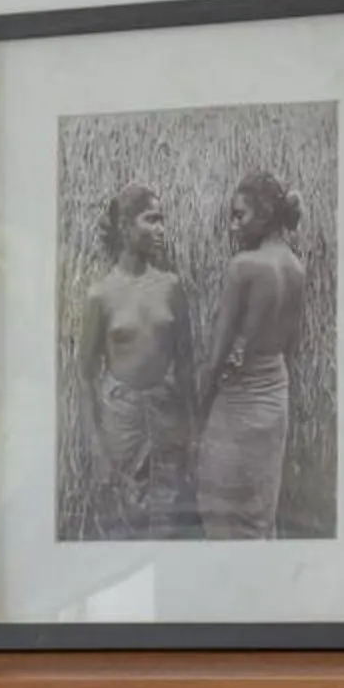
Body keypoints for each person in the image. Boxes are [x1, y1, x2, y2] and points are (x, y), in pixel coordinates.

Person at [70, 185, 196, 537]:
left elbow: (186, 364)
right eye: (151, 219)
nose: (161, 228)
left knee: (167, 522)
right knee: (123, 526)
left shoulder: (171, 287)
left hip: (166, 420)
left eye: (162, 220)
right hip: (121, 426)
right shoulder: (101, 295)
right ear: (125, 226)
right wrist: (95, 445)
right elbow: (85, 375)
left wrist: (193, 431)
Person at [194, 169, 307, 539]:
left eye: (238, 215)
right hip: (275, 402)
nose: (231, 226)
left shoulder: (243, 267)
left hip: (237, 407)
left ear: (265, 215)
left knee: (222, 516)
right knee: (259, 517)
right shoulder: (296, 269)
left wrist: (198, 412)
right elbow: (291, 347)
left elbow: (215, 357)